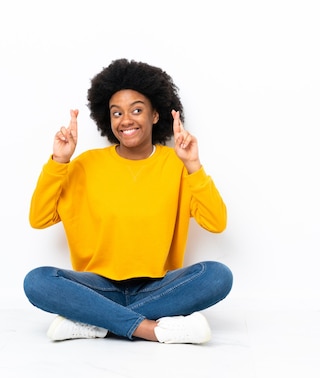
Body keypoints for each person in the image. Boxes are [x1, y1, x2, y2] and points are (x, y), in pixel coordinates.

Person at [23, 58, 233, 344]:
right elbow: (39, 218)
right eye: (117, 113)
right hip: (98, 287)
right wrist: (60, 160)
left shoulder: (176, 165)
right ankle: (150, 329)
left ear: (155, 116)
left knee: (218, 275)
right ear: (108, 120)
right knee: (37, 281)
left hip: (157, 287)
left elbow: (217, 222)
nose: (126, 120)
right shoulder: (86, 165)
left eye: (136, 110)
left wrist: (194, 165)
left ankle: (94, 321)